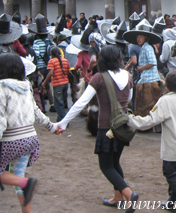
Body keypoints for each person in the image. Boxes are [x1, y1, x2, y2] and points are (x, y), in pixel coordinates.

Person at [57, 45, 138, 212]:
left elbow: (81, 102)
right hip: (123, 126)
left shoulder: (99, 78)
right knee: (115, 162)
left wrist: (63, 122)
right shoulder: (128, 76)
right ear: (118, 59)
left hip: (106, 128)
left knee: (106, 166)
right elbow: (129, 98)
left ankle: (129, 195)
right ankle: (118, 198)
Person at [127, 70, 176, 211]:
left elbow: (151, 120)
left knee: (172, 175)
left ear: (166, 86)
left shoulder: (165, 100)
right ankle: (174, 203)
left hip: (173, 148)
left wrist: (130, 120)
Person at [0, 54, 60, 213]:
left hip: (11, 141)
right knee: (18, 177)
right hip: (30, 139)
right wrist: (52, 127)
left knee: (19, 179)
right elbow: (36, 112)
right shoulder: (25, 86)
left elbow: (1, 119)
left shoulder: (1, 87)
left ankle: (25, 183)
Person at [123, 20, 162, 120]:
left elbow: (153, 62)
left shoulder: (147, 48)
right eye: (137, 37)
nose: (138, 39)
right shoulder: (143, 48)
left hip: (149, 80)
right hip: (146, 78)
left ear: (146, 38)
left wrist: (141, 69)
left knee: (148, 104)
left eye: (141, 37)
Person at [40, 47, 70, 122]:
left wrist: (44, 82)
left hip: (57, 84)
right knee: (62, 102)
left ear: (51, 54)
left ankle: (64, 120)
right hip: (65, 83)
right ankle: (60, 118)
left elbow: (51, 73)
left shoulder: (52, 61)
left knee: (58, 104)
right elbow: (68, 71)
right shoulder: (65, 61)